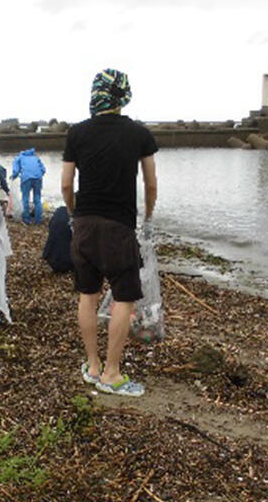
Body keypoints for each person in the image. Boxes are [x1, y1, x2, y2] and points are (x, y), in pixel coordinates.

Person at [61, 68, 157, 397]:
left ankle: (92, 365)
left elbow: (65, 183)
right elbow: (151, 183)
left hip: (85, 224)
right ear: (124, 94)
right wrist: (148, 218)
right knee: (124, 298)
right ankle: (113, 373)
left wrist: (76, 214)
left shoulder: (77, 133)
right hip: (119, 226)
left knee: (87, 295)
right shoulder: (139, 133)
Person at [11, 148, 46, 224]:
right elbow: (43, 170)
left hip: (26, 178)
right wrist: (38, 175)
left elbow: (16, 171)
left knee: (25, 198)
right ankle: (38, 219)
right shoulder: (36, 158)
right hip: (38, 178)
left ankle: (26, 219)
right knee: (37, 198)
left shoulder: (19, 158)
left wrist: (13, 177)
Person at [42, 205, 74, 273]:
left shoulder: (60, 210)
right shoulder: (80, 216)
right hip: (68, 262)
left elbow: (50, 226)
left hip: (51, 258)